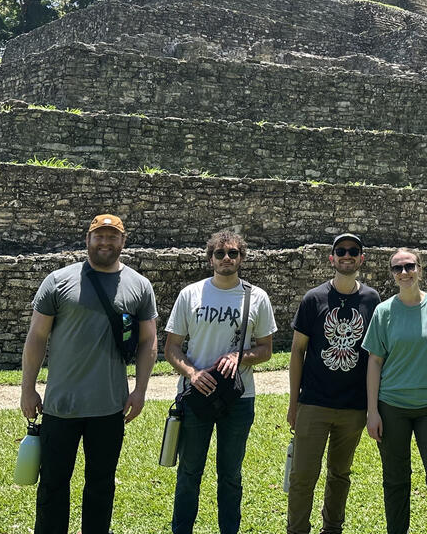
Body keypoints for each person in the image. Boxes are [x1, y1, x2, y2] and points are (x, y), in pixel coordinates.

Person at [20, 214, 159, 534]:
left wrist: (140, 390)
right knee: (53, 485)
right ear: (88, 239)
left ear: (123, 241)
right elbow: (37, 337)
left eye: (112, 236)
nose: (105, 242)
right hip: (60, 405)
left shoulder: (140, 286)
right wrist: (28, 388)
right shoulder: (58, 281)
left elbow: (148, 340)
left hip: (109, 406)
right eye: (99, 236)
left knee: (101, 485)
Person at [164, 230, 278, 534]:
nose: (226, 258)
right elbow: (172, 348)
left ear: (242, 257)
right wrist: (192, 373)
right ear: (210, 258)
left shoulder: (256, 297)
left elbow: (266, 350)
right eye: (220, 253)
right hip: (196, 394)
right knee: (189, 472)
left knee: (231, 475)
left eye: (233, 253)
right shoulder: (191, 295)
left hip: (238, 398)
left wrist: (240, 357)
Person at [286, 233, 381, 534]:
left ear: (361, 258)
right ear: (332, 258)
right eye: (341, 251)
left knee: (340, 474)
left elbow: (376, 355)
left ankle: (332, 529)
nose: (347, 255)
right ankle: (297, 530)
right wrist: (294, 403)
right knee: (303, 475)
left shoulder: (372, 300)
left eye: (353, 251)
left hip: (353, 406)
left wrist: (373, 407)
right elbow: (297, 352)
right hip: (314, 402)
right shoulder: (313, 299)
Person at [363, 248, 427, 534]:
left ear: (420, 268)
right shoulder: (384, 312)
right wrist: (372, 411)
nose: (404, 272)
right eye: (397, 268)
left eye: (409, 266)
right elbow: (375, 362)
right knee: (396, 480)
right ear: (392, 274)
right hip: (392, 406)